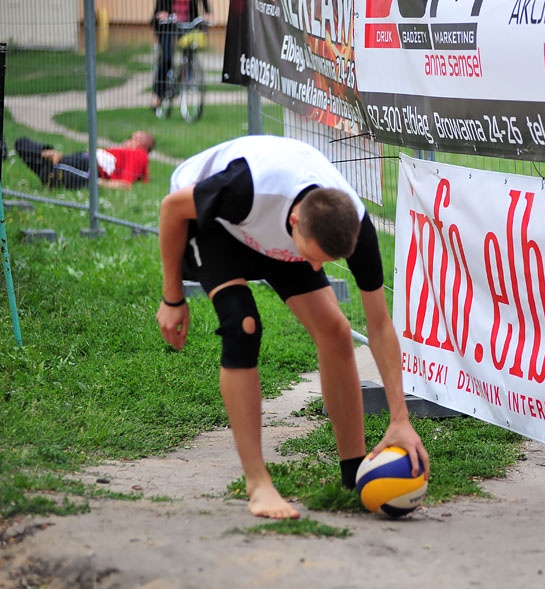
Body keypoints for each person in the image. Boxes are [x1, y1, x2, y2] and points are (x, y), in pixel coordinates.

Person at [155, 135, 430, 520]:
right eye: (314, 258)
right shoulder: (245, 187)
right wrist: (172, 299)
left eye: (325, 262)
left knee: (334, 329)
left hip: (280, 237)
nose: (317, 270)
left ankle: (353, 476)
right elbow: (171, 209)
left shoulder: (353, 227)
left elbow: (380, 325)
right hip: (216, 225)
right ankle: (258, 484)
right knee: (243, 325)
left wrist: (399, 417)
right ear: (296, 220)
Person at [14, 131, 154, 190]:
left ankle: (53, 168)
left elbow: (126, 184)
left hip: (92, 167)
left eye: (134, 139)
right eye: (130, 137)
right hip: (84, 158)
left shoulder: (140, 154)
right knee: (21, 143)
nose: (128, 140)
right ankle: (50, 157)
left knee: (51, 173)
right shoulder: (124, 152)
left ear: (142, 145)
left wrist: (100, 183)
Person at [151, 0, 212, 111]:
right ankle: (158, 94)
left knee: (190, 49)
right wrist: (162, 13)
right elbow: (161, 6)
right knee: (167, 57)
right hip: (166, 26)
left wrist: (207, 13)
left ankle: (187, 75)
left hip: (187, 24)